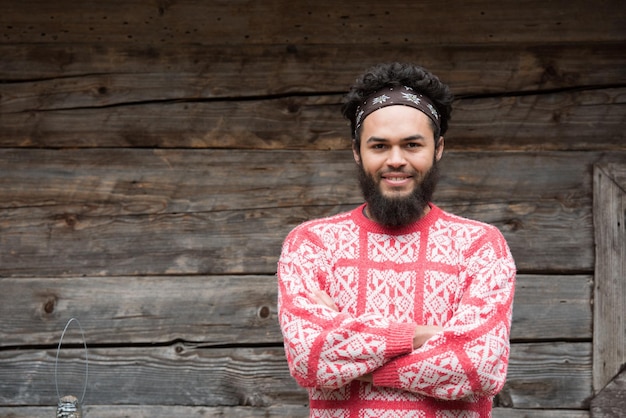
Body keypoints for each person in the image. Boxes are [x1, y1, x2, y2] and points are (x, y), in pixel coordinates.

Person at [277, 62, 516, 417]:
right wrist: (423, 336)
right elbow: (308, 358)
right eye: (379, 146)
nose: (396, 160)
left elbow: (479, 367)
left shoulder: (479, 246)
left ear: (438, 149)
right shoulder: (312, 245)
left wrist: (352, 356)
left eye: (412, 144)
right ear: (357, 152)